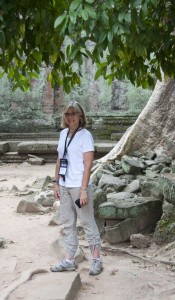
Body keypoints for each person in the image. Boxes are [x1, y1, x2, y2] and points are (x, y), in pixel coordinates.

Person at [50, 101, 103, 276]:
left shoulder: (85, 135)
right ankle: (69, 260)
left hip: (79, 186)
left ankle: (96, 259)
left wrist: (83, 190)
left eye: (73, 114)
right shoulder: (63, 134)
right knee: (67, 223)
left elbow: (88, 165)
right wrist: (56, 182)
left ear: (80, 116)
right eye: (67, 114)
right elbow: (59, 160)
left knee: (87, 222)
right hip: (64, 186)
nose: (70, 117)